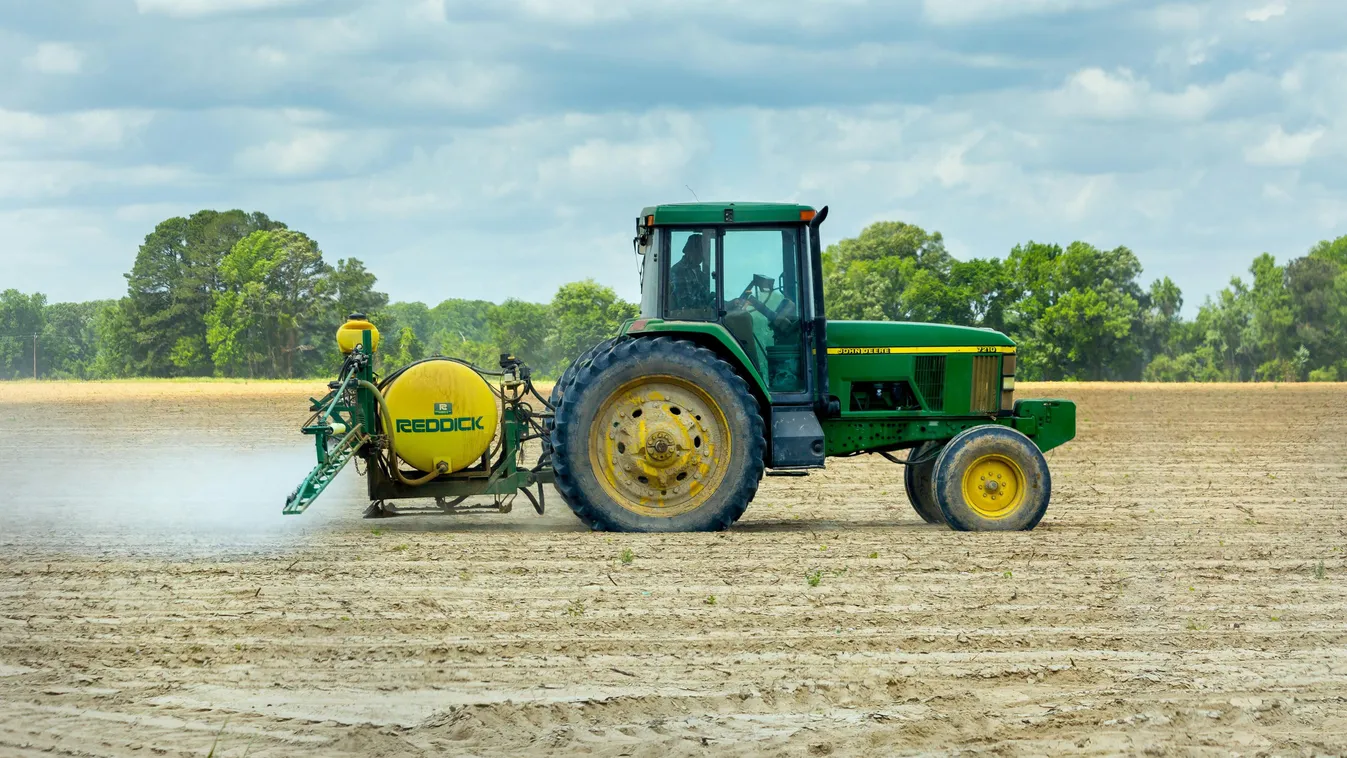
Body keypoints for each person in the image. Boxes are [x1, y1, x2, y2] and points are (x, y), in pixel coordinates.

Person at [669, 234, 714, 317]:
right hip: (686, 319)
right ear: (689, 251)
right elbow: (686, 304)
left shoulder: (699, 273)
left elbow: (703, 298)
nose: (702, 257)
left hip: (699, 316)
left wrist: (721, 302)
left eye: (703, 252)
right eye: (700, 252)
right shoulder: (678, 271)